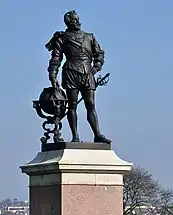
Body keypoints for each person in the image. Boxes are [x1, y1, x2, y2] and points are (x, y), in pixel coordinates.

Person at [45, 10, 111, 144]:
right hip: (71, 73)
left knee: (91, 104)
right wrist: (53, 75)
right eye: (74, 20)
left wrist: (97, 65)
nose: (77, 22)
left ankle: (97, 134)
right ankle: (75, 136)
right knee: (72, 105)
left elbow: (99, 53)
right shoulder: (62, 38)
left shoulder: (89, 37)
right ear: (68, 22)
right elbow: (56, 58)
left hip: (87, 73)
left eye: (77, 19)